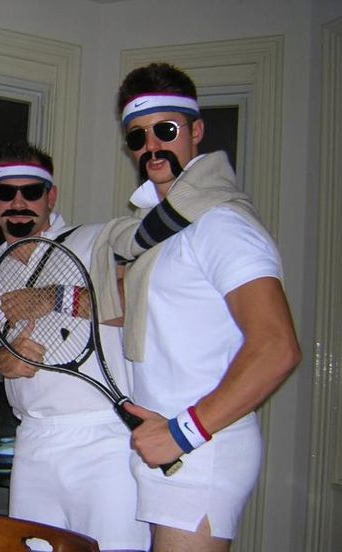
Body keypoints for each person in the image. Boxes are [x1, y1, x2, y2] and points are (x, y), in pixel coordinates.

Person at [91, 62, 301, 552]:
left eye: (165, 130)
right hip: (168, 445)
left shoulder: (222, 226)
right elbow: (137, 317)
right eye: (137, 138)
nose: (151, 148)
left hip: (199, 448)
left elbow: (277, 346)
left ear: (196, 131)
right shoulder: (154, 235)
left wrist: (185, 432)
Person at [0, 141, 150, 552]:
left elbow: (144, 304)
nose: (18, 202)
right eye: (6, 193)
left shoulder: (95, 241)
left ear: (51, 195)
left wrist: (58, 298)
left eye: (32, 191)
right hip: (34, 444)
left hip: (106, 437)